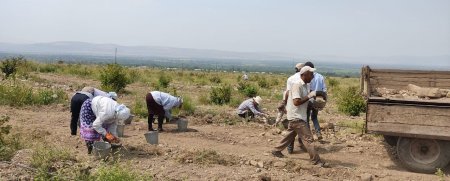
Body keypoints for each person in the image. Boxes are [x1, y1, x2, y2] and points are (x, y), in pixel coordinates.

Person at [272, 66, 328, 167]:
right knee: (308, 139)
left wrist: (313, 104)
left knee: (290, 135)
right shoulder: (297, 85)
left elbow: (304, 101)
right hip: (296, 116)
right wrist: (310, 96)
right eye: (310, 74)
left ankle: (276, 150)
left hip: (299, 116)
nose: (312, 76)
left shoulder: (305, 86)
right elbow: (296, 102)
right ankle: (316, 160)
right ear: (304, 74)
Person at [304, 62, 327, 140]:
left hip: (310, 99)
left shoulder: (309, 76)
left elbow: (307, 89)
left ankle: (309, 135)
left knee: (306, 117)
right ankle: (318, 133)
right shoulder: (321, 76)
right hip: (318, 100)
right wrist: (324, 99)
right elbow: (324, 89)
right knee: (314, 117)